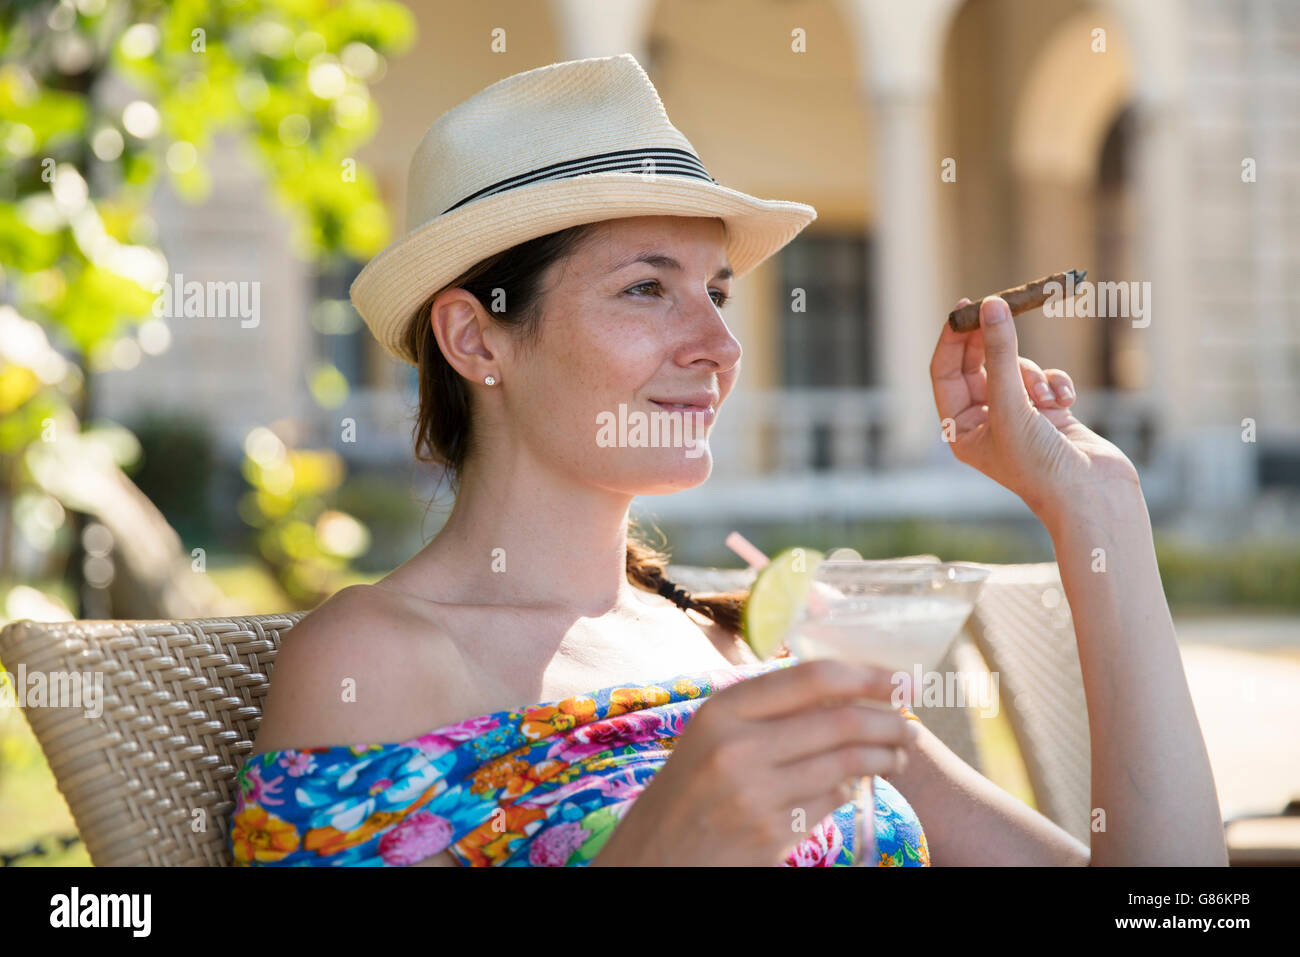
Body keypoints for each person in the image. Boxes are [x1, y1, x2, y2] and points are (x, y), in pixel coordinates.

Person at [227, 54, 1226, 867]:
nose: (720, 345)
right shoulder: (374, 662)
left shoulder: (752, 645)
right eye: (644, 290)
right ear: (476, 340)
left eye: (714, 290)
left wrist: (1096, 510)